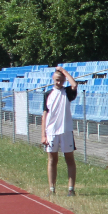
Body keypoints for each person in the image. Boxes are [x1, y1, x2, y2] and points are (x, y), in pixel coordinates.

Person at [40, 67, 79, 196]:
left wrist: (64, 71)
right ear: (53, 79)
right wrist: (43, 134)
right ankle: (52, 188)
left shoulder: (67, 92)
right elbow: (45, 114)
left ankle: (71, 189)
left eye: (61, 80)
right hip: (51, 131)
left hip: (65, 130)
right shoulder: (48, 94)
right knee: (52, 159)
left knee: (69, 159)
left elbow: (74, 84)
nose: (59, 82)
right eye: (57, 80)